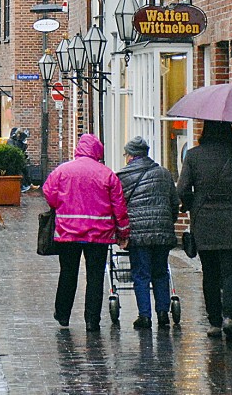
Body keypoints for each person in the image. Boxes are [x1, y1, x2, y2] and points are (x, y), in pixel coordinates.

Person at [177, 120, 232, 342]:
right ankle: (230, 318)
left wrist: (191, 203)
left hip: (205, 223)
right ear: (229, 132)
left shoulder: (193, 156)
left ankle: (214, 322)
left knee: (210, 273)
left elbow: (182, 189)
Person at [42, 133, 130, 332]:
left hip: (68, 232)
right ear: (98, 151)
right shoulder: (107, 174)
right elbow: (119, 206)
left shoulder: (62, 171)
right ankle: (92, 320)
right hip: (99, 234)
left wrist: (62, 206)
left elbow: (49, 193)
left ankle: (63, 314)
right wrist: (123, 232)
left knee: (68, 273)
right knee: (95, 276)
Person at [116, 136, 180, 330]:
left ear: (130, 156)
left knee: (141, 274)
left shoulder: (122, 176)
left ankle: (144, 316)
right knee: (160, 273)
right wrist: (169, 222)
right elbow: (174, 202)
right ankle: (162, 314)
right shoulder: (164, 173)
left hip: (138, 234)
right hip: (162, 232)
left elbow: (119, 207)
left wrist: (121, 232)